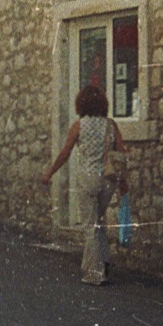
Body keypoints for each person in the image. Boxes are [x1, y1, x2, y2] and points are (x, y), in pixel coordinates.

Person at [42, 84, 128, 285]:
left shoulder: (79, 126)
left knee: (90, 226)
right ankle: (104, 263)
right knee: (100, 222)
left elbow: (65, 153)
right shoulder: (111, 125)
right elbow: (121, 153)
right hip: (108, 181)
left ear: (81, 104)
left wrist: (50, 173)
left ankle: (94, 273)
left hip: (88, 180)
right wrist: (124, 182)